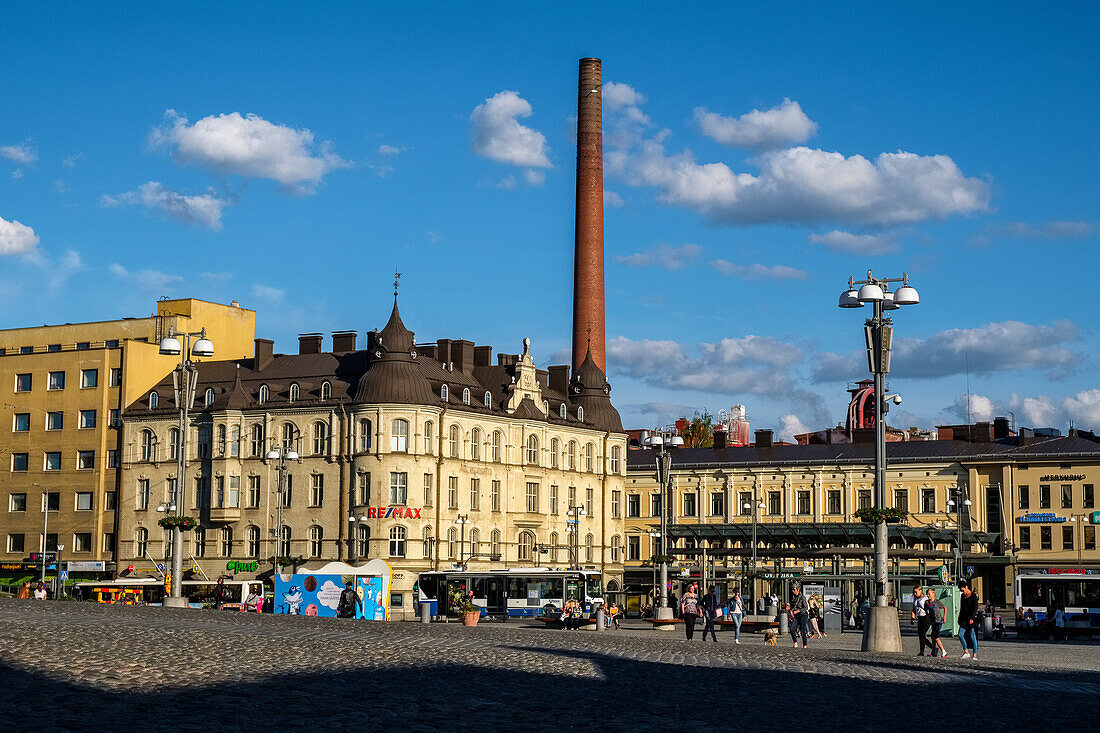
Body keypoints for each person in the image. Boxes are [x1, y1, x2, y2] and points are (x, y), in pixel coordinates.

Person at [957, 580, 979, 660]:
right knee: (960, 634)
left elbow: (975, 608)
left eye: (963, 590)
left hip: (971, 619)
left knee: (973, 636)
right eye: (961, 591)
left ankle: (975, 655)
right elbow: (962, 608)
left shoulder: (973, 596)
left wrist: (972, 618)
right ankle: (966, 652)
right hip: (963, 619)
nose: (963, 592)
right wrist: (959, 618)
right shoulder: (962, 596)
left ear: (967, 587)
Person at [926, 587, 948, 657]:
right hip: (933, 622)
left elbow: (945, 607)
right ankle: (933, 651)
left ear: (933, 594)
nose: (928, 595)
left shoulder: (937, 602)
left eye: (929, 594)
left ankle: (944, 651)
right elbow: (926, 610)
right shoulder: (926, 602)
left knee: (936, 637)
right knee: (933, 637)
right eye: (927, 594)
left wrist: (944, 617)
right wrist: (928, 617)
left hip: (938, 621)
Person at [911, 585, 931, 657]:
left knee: (922, 634)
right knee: (920, 636)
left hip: (926, 617)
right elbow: (914, 609)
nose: (915, 594)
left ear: (920, 591)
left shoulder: (926, 598)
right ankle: (921, 651)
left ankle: (933, 648)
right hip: (919, 618)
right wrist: (912, 618)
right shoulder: (915, 599)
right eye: (914, 592)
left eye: (916, 592)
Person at [789, 584, 810, 648]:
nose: (793, 591)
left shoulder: (802, 597)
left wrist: (798, 611)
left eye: (794, 589)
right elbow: (792, 606)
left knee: (803, 631)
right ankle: (795, 643)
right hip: (796, 616)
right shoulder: (792, 597)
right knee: (792, 629)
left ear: (798, 589)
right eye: (792, 589)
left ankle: (805, 645)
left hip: (803, 615)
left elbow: (806, 607)